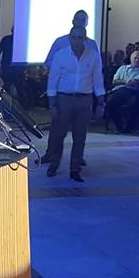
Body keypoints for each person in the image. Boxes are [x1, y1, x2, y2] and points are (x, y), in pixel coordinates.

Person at [45, 26, 106, 182]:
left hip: (85, 99)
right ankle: (54, 164)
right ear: (69, 38)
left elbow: (98, 80)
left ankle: (75, 169)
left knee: (80, 137)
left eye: (80, 38)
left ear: (85, 39)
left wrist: (100, 103)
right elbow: (53, 81)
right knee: (59, 134)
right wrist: (52, 105)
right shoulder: (60, 55)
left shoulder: (93, 56)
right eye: (73, 37)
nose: (76, 41)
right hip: (64, 98)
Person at [105, 50, 139, 132]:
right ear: (131, 59)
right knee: (110, 102)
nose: (137, 60)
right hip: (120, 89)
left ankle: (129, 127)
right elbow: (114, 81)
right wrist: (125, 81)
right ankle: (119, 125)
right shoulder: (123, 68)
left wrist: (138, 83)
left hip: (135, 91)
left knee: (135, 103)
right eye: (135, 58)